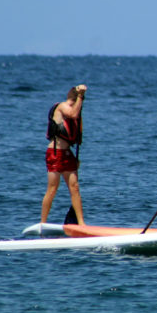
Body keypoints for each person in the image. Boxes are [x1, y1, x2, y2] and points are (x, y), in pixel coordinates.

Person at [41, 84, 87, 225]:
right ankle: (43, 222)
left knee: (75, 188)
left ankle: (81, 224)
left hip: (68, 154)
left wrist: (76, 159)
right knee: (53, 188)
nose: (77, 106)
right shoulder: (62, 107)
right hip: (55, 153)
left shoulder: (75, 108)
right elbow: (72, 113)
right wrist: (80, 96)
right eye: (75, 103)